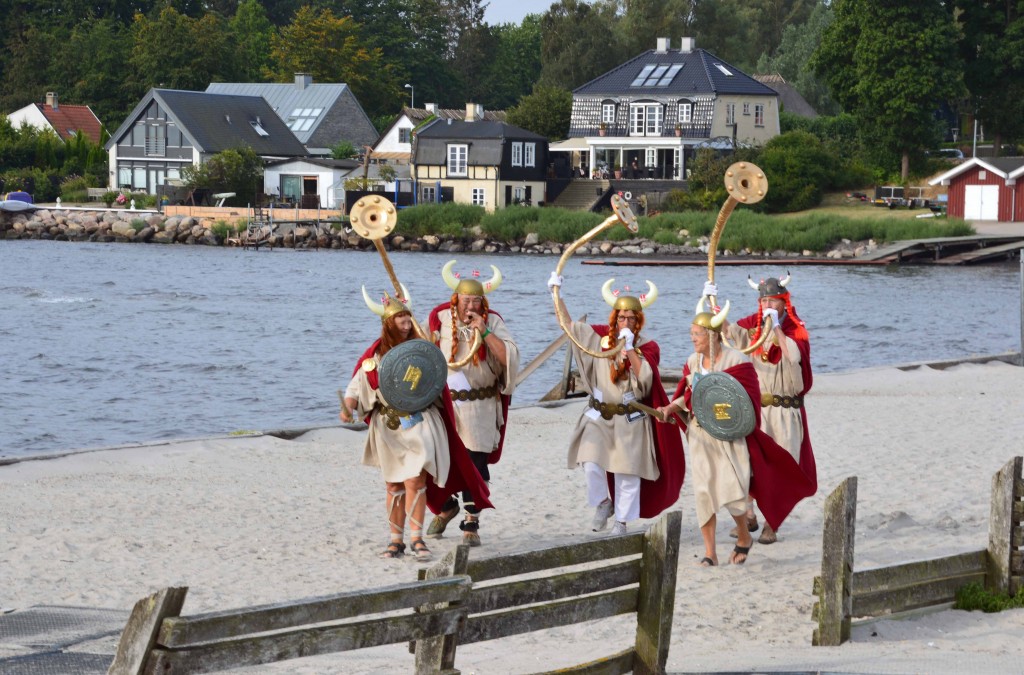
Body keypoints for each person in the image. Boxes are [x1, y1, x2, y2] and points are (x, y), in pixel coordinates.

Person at [339, 288, 492, 562]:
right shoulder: (375, 356)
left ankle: (417, 538)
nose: (407, 324)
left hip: (420, 422)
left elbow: (436, 379)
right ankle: (396, 541)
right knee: (394, 486)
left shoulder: (422, 351)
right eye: (401, 320)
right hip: (389, 425)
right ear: (389, 324)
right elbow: (357, 386)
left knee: (416, 480)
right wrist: (348, 406)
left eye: (409, 319)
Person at [657, 305, 814, 566]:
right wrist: (670, 408)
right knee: (703, 493)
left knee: (734, 492)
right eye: (691, 334)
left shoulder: (737, 361)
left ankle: (743, 536)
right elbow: (687, 395)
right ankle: (711, 553)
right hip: (700, 435)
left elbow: (748, 400)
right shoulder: (693, 362)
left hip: (730, 435)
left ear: (713, 335)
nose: (693, 338)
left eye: (697, 334)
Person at [547, 272, 684, 536]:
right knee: (590, 462)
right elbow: (568, 327)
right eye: (622, 317)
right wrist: (556, 294)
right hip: (599, 415)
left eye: (632, 319)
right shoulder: (601, 340)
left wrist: (631, 350)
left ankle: (621, 522)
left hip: (630, 417)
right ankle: (603, 502)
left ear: (638, 322)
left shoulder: (648, 346)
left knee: (627, 473)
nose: (626, 322)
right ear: (614, 318)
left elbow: (645, 382)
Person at [705, 275, 816, 545]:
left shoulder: (794, 329)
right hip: (760, 409)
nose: (767, 305)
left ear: (783, 302)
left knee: (780, 468)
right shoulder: (756, 329)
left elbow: (793, 355)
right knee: (749, 463)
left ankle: (772, 525)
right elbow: (730, 335)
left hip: (785, 410)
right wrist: (714, 307)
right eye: (764, 300)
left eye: (773, 301)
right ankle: (750, 516)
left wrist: (777, 328)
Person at [426, 261, 520, 546]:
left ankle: (471, 523)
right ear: (456, 298)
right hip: (447, 404)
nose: (470, 305)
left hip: (479, 406)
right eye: (466, 299)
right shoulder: (439, 319)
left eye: (475, 300)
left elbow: (509, 359)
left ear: (482, 302)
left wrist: (486, 332)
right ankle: (447, 507)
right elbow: (421, 348)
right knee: (436, 460)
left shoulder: (492, 321)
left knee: (475, 466)